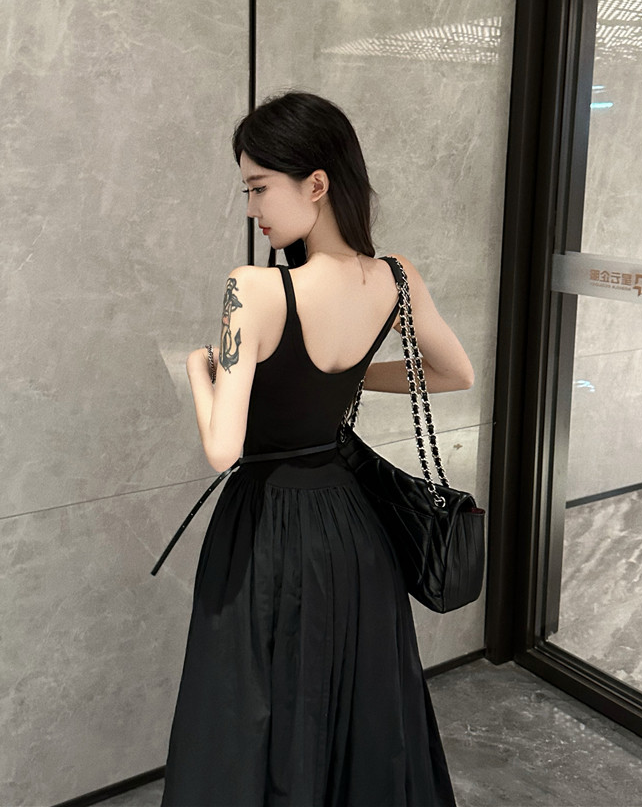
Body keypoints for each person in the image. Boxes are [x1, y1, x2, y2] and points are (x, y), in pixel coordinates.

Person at [160, 90, 474, 806]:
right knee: (356, 710)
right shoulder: (395, 277)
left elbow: (222, 449)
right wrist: (355, 371)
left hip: (265, 532)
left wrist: (199, 370)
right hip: (354, 533)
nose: (251, 208)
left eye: (258, 187)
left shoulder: (253, 289)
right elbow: (454, 372)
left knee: (251, 712)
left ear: (317, 184)